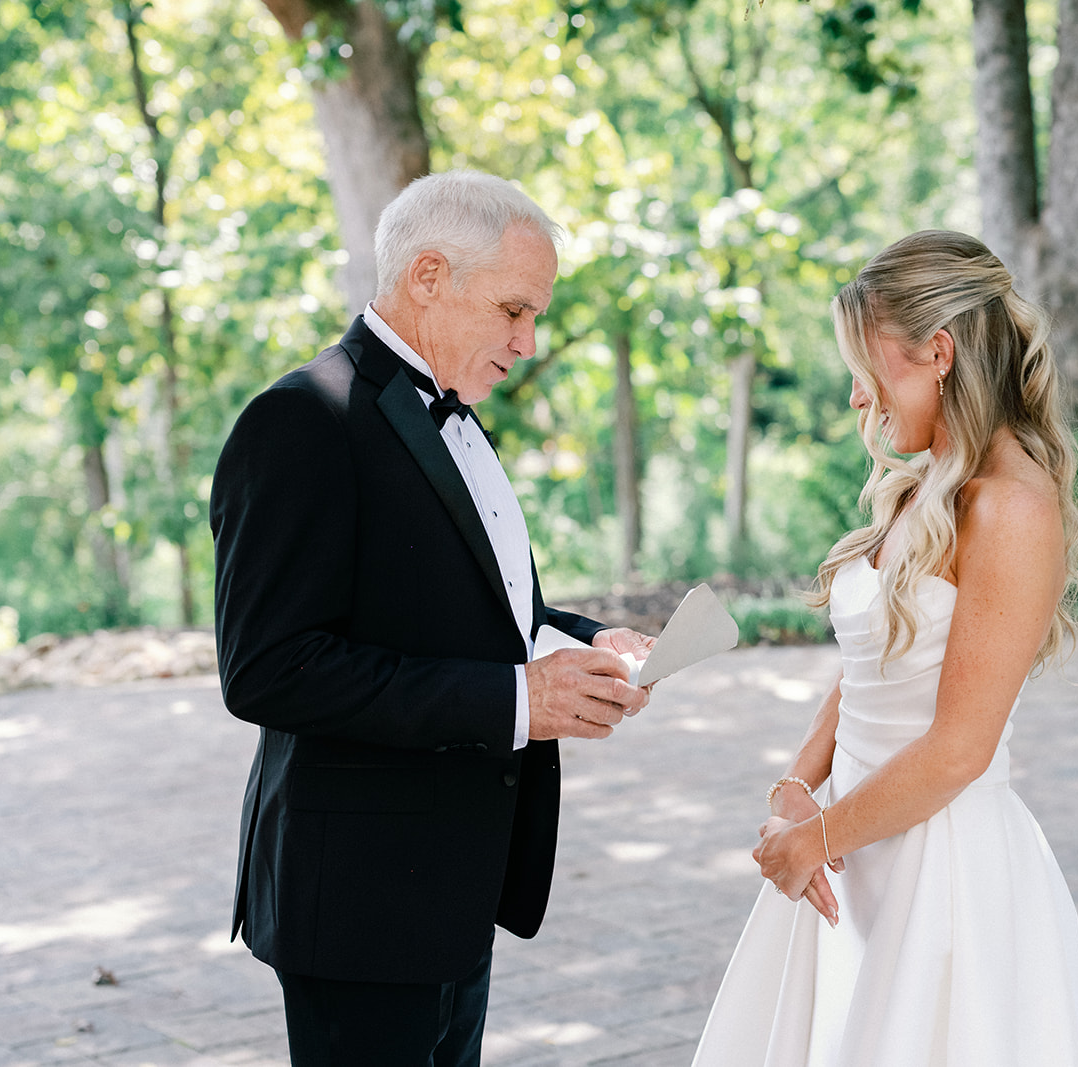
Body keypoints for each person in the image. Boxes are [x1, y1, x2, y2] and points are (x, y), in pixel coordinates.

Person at [209, 169, 655, 1067]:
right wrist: (517, 702)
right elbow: (268, 667)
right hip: (359, 899)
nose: (529, 341)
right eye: (514, 309)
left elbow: (475, 604)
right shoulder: (300, 419)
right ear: (427, 276)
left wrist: (578, 639)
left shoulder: (454, 415)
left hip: (452, 884)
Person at [693, 230, 1078, 1066]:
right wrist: (799, 785)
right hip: (853, 845)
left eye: (868, 368)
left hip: (942, 874)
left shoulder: (1012, 508)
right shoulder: (925, 487)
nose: (855, 396)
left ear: (937, 352)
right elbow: (866, 673)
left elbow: (959, 748)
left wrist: (819, 838)